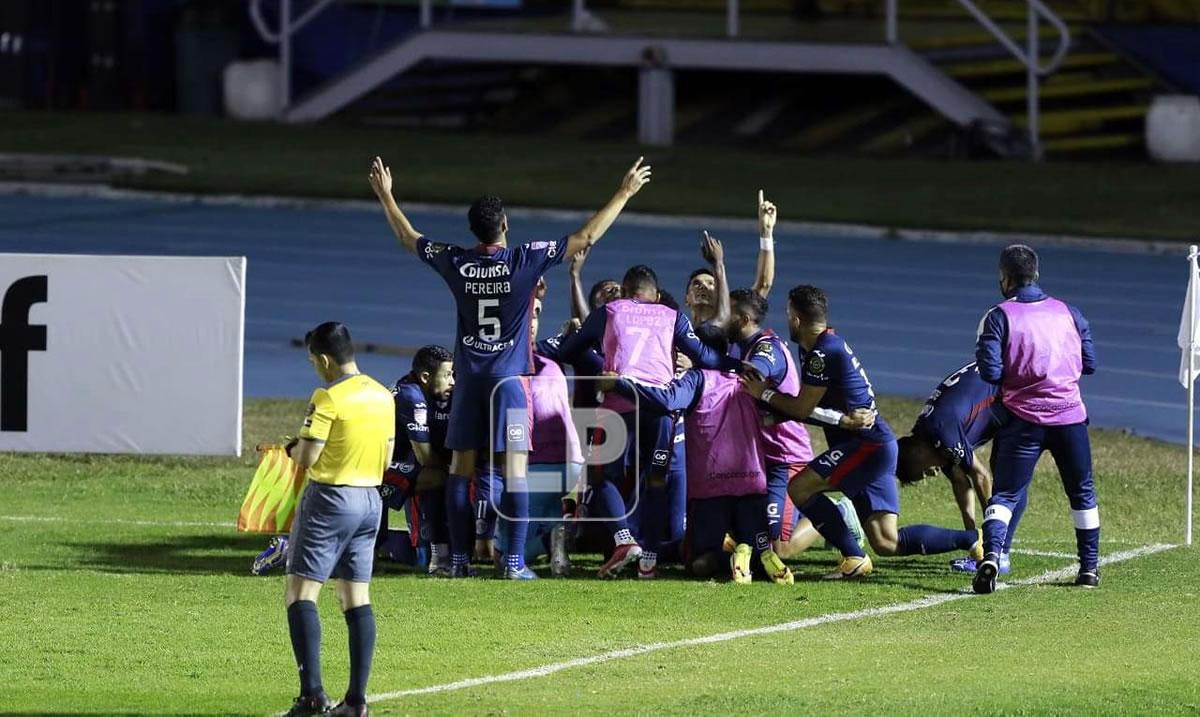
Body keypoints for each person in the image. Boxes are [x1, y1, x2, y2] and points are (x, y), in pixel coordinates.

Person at [368, 154, 651, 579]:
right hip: (509, 383)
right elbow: (587, 234)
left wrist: (387, 196)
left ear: (473, 230)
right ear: (505, 225)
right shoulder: (524, 260)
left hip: (468, 382)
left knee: (460, 467)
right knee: (515, 471)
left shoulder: (457, 262)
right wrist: (624, 192)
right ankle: (514, 563)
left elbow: (409, 238)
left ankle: (459, 562)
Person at [741, 285, 983, 579]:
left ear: (794, 318)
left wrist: (764, 395)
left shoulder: (822, 353)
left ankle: (854, 556)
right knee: (886, 541)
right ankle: (971, 540)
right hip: (874, 445)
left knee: (800, 487)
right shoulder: (820, 347)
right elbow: (813, 409)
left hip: (866, 446)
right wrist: (786, 414)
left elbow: (803, 409)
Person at [557, 263, 740, 578]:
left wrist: (593, 353)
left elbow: (568, 350)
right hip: (660, 410)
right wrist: (739, 364)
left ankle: (625, 541)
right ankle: (649, 563)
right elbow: (706, 357)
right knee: (656, 482)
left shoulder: (610, 311)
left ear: (626, 293)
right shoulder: (672, 316)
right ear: (655, 295)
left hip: (618, 404)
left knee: (602, 478)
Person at [282, 322, 395, 717]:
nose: (316, 368)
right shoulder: (383, 395)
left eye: (315, 361)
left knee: (301, 593)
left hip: (331, 499)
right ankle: (356, 702)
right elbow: (386, 458)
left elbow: (309, 457)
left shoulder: (328, 397)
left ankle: (312, 694)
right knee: (355, 597)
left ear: (326, 359)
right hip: (370, 501)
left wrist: (292, 450)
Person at [972, 245, 1099, 594]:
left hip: (1022, 421)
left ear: (1005, 278)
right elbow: (1089, 363)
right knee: (1081, 492)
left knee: (1006, 494)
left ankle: (993, 556)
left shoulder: (998, 316)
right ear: (1036, 274)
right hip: (1070, 418)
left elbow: (990, 371)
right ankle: (1089, 569)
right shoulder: (1069, 312)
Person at [896, 361, 1026, 574]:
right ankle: (989, 549)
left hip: (1017, 392)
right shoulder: (931, 440)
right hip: (1006, 392)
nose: (931, 473)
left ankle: (999, 552)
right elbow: (959, 480)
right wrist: (973, 540)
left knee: (1007, 476)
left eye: (923, 472)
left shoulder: (940, 431)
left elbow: (981, 477)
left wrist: (991, 533)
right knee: (1005, 474)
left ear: (916, 454)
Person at [381, 345, 454, 575]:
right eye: (447, 375)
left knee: (375, 537)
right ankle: (439, 555)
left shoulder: (406, 385)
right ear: (425, 376)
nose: (452, 381)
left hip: (381, 463)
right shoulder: (413, 399)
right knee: (441, 477)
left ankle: (435, 555)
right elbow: (425, 457)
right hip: (379, 470)